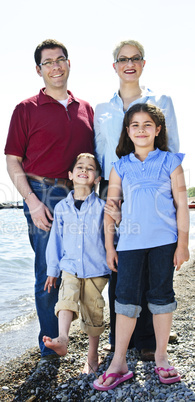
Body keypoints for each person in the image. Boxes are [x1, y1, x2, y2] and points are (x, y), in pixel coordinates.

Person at [4, 40, 94, 366]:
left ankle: (74, 334)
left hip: (82, 196)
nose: (56, 66)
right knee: (49, 271)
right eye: (48, 62)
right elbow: (13, 161)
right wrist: (31, 201)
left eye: (60, 60)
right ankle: (50, 347)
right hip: (43, 196)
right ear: (39, 70)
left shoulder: (86, 108)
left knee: (86, 269)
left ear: (69, 64)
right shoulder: (26, 109)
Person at [93, 103, 189, 391]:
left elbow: (182, 205)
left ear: (158, 130)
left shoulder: (171, 162)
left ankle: (161, 356)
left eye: (148, 124)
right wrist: (110, 247)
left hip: (164, 241)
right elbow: (112, 209)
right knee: (126, 300)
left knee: (161, 296)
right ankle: (119, 362)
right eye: (134, 125)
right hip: (130, 244)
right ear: (127, 131)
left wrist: (183, 243)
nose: (141, 130)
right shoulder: (120, 166)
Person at [94, 39, 180, 360]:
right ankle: (121, 338)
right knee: (121, 263)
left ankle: (147, 339)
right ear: (114, 66)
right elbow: (100, 151)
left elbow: (172, 146)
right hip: (114, 188)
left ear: (143, 63)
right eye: (122, 59)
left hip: (153, 187)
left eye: (135, 58)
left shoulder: (162, 101)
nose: (129, 63)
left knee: (151, 262)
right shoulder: (102, 110)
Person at [42, 153, 111, 374]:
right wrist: (52, 270)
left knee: (93, 310)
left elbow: (110, 236)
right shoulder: (62, 208)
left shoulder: (102, 207)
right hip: (69, 266)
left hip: (96, 268)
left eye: (90, 168)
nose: (84, 170)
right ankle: (63, 338)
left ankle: (93, 354)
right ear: (71, 175)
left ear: (97, 178)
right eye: (79, 167)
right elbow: (56, 240)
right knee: (66, 298)